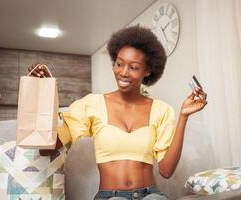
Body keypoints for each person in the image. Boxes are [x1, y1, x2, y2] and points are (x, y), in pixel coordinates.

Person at [28, 25, 207, 200]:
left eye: (133, 67)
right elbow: (46, 150)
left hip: (150, 194)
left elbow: (166, 171)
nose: (123, 72)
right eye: (119, 64)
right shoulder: (91, 104)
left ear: (148, 71)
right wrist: (45, 93)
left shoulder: (161, 110)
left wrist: (183, 116)